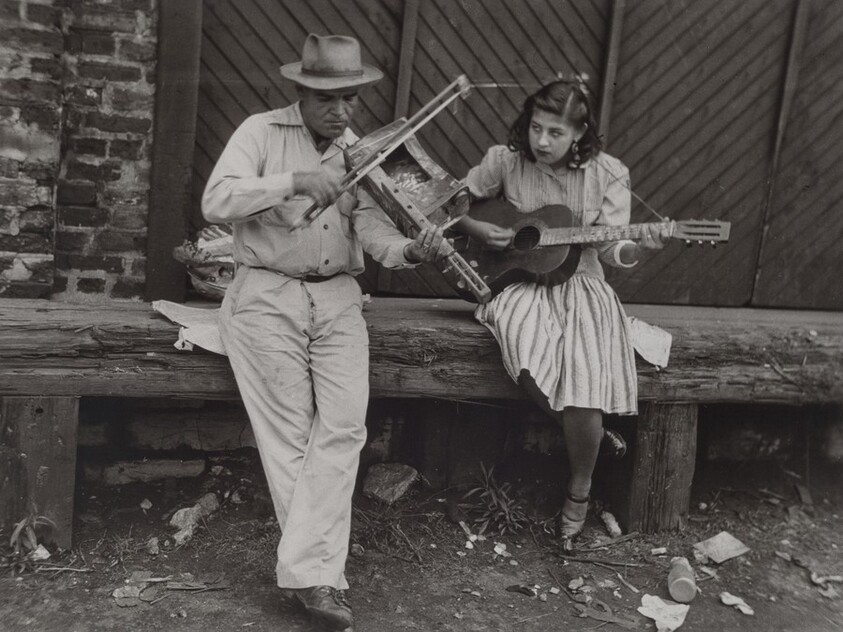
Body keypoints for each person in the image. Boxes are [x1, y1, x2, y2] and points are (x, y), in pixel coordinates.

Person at [201, 34, 447, 631]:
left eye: (352, 100)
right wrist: (291, 182)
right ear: (302, 91)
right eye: (329, 99)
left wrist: (413, 249)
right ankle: (320, 582)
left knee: (344, 427)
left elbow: (370, 228)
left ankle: (307, 572)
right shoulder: (261, 132)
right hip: (267, 293)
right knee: (289, 435)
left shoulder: (359, 151)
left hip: (338, 297)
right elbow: (217, 200)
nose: (342, 112)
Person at [456, 80, 668, 548]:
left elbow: (615, 249)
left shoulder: (608, 174)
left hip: (582, 280)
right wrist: (478, 227)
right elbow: (455, 204)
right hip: (518, 282)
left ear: (579, 133)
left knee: (584, 367)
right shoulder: (505, 161)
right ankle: (587, 434)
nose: (542, 141)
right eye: (536, 128)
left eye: (555, 132)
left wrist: (636, 247)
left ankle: (580, 489)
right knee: (522, 340)